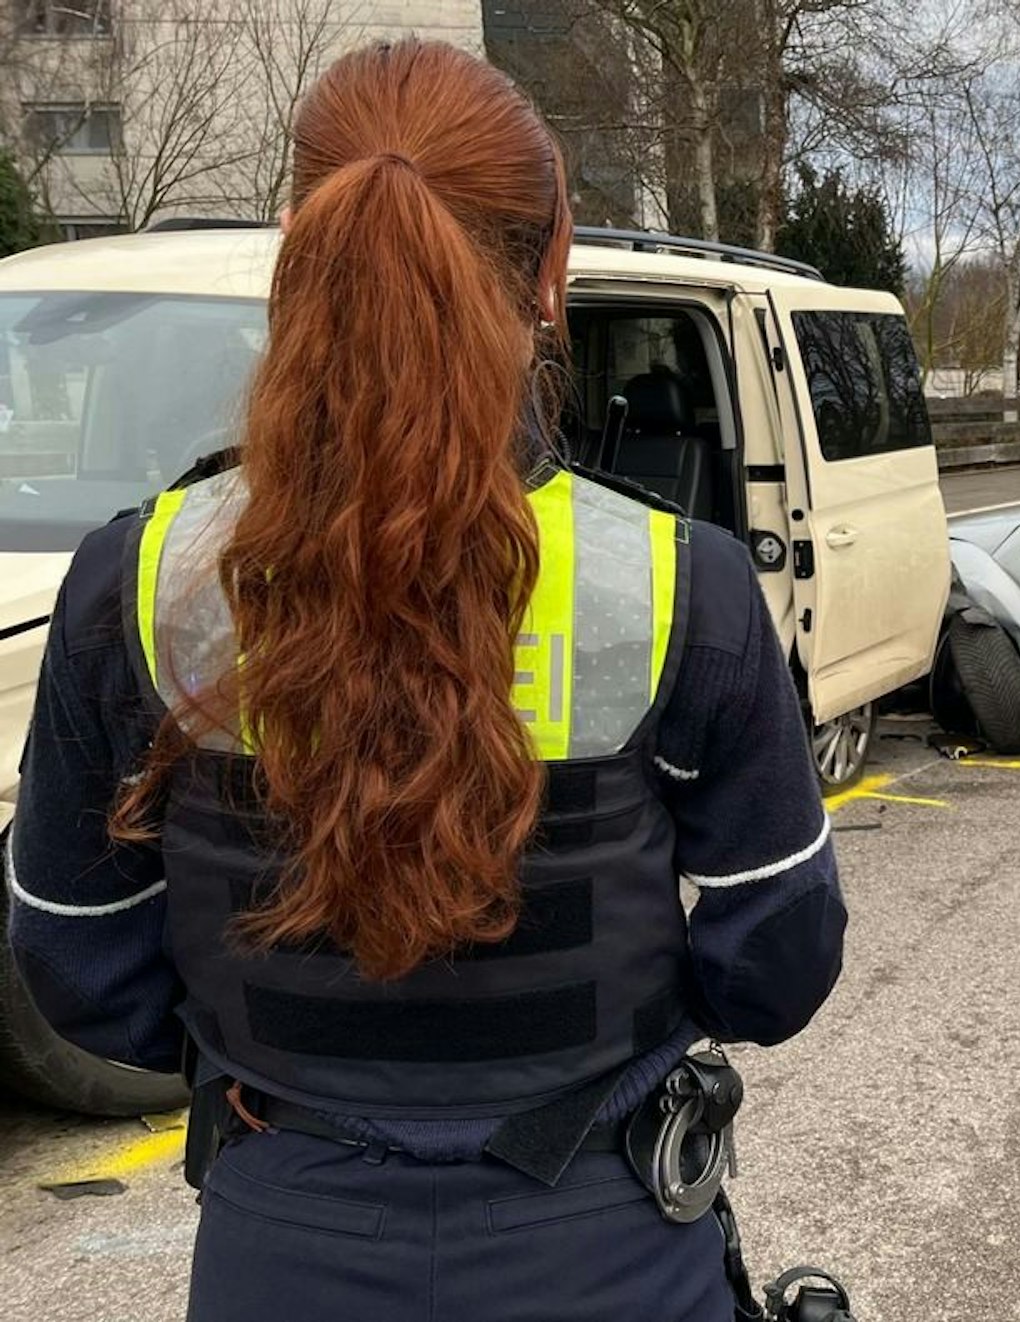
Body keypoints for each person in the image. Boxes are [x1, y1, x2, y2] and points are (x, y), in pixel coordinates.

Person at [4, 40, 844, 1322]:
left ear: (300, 252)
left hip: (282, 1233)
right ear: (552, 270)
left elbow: (74, 953)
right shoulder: (685, 585)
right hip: (603, 1241)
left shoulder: (141, 581)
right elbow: (776, 962)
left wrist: (263, 1065)